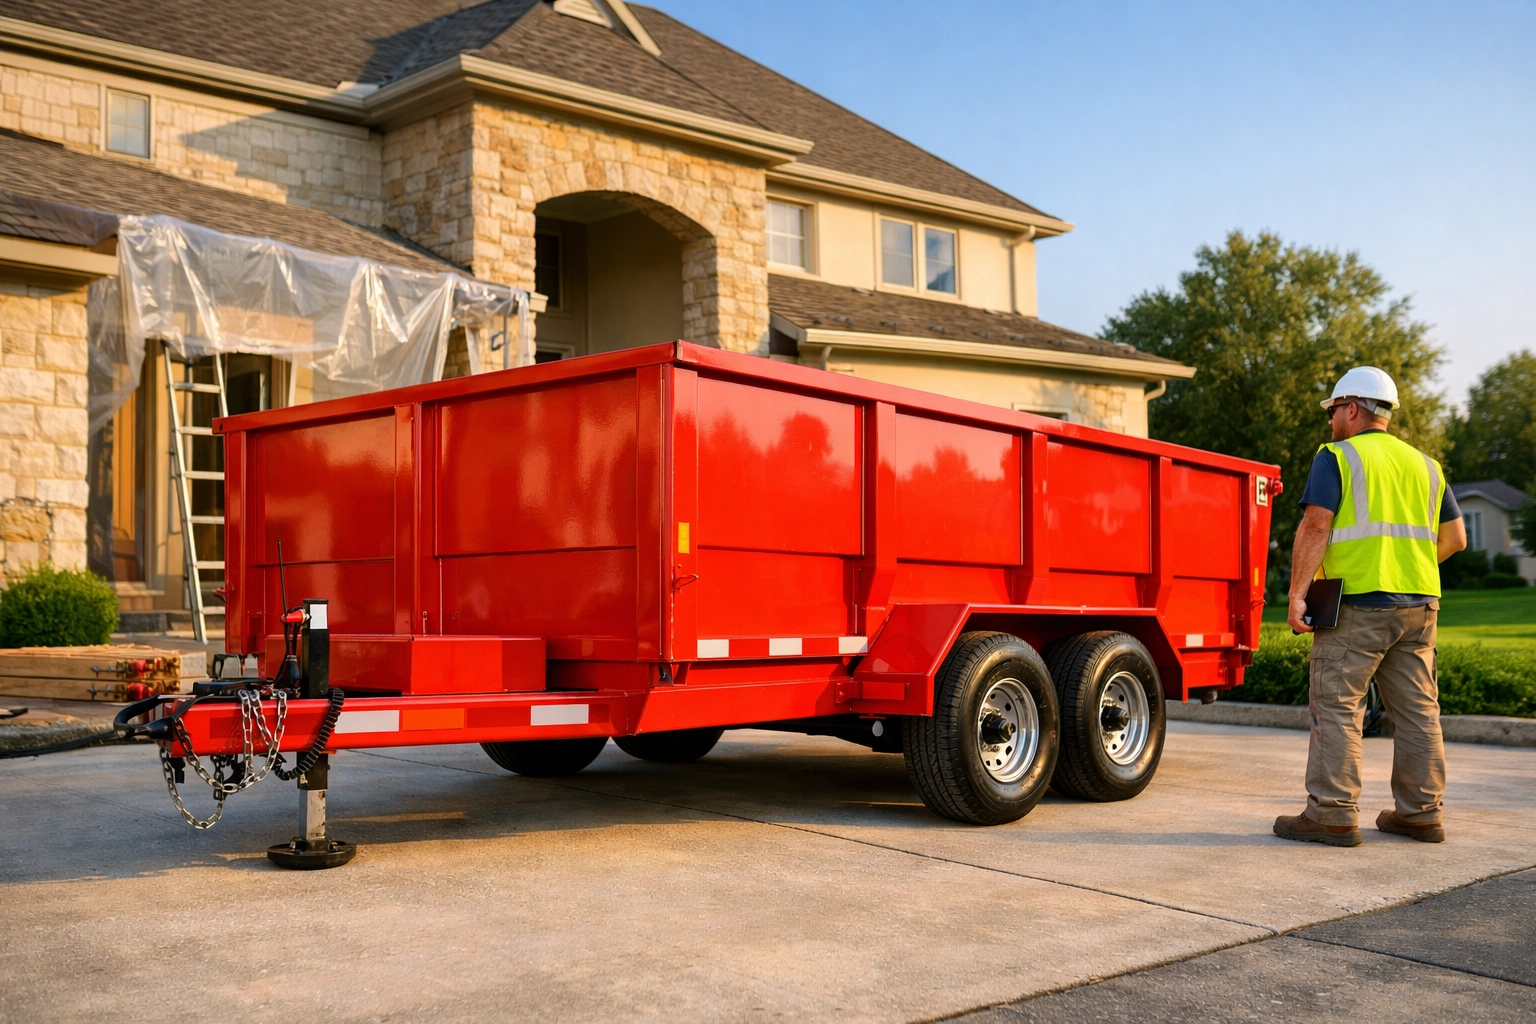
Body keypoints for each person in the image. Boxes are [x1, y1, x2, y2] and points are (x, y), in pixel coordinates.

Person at [1274, 366, 1467, 848]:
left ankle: (1331, 815)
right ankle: (1422, 814)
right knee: (1420, 712)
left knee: (1337, 707)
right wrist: (1410, 562)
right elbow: (1456, 539)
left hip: (1357, 606)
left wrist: (1298, 593)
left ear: (1353, 408)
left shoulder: (1336, 456)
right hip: (1420, 605)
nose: (1330, 421)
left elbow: (1316, 526)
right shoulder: (1427, 465)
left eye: (1334, 410)